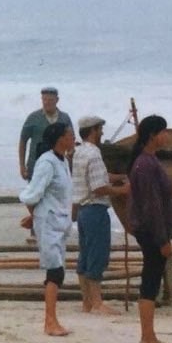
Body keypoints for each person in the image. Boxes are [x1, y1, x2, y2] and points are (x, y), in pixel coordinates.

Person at [19, 121, 76, 336]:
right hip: (49, 222)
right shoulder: (47, 163)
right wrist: (34, 216)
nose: (73, 138)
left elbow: (59, 194)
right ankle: (49, 321)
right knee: (54, 271)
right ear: (60, 138)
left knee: (58, 269)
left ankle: (52, 319)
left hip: (60, 221)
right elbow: (32, 194)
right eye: (70, 135)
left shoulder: (62, 162)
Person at [127, 114, 172, 343]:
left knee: (152, 278)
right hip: (150, 231)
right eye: (163, 132)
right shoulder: (145, 164)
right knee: (151, 279)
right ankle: (147, 336)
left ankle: (149, 334)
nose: (166, 136)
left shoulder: (149, 161)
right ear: (152, 136)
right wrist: (162, 239)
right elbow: (151, 205)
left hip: (151, 229)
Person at [71, 115, 127, 314]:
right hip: (95, 209)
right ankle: (97, 301)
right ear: (93, 131)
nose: (102, 133)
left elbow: (98, 177)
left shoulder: (78, 152)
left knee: (85, 255)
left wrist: (119, 177)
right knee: (97, 255)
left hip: (83, 210)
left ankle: (86, 301)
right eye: (100, 129)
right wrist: (122, 190)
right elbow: (99, 187)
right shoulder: (94, 155)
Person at [18, 87, 72, 181]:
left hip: (58, 166)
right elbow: (23, 141)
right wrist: (22, 166)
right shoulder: (33, 118)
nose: (47, 102)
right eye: (44, 99)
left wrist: (69, 159)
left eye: (50, 100)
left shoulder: (64, 118)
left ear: (57, 100)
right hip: (35, 166)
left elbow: (71, 140)